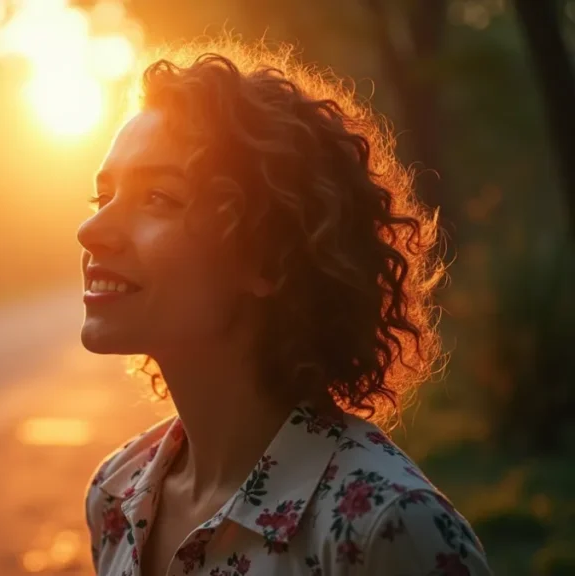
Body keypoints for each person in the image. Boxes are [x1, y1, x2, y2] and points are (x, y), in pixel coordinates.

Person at [78, 42, 491, 576]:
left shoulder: (386, 530)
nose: (90, 231)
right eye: (103, 197)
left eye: (158, 197)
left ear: (268, 257)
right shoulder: (116, 494)